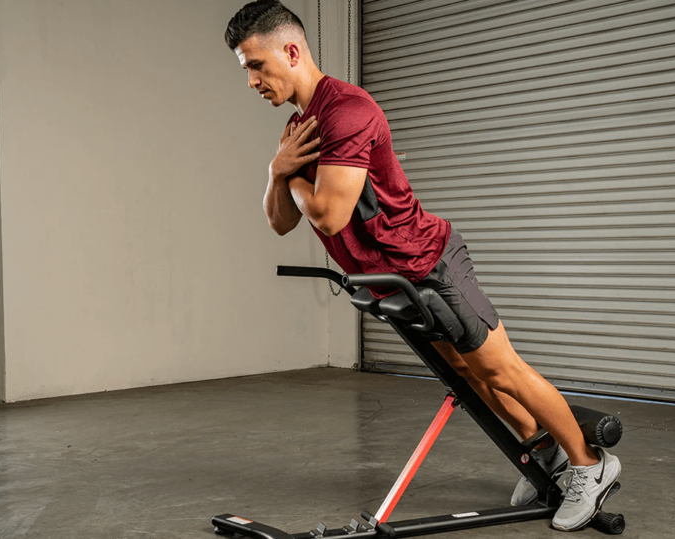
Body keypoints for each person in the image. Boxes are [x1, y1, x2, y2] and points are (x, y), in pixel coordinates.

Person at [225, 1, 621, 531]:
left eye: (255, 65)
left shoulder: (346, 111)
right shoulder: (303, 125)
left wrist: (286, 173)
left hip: (429, 264)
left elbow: (327, 211)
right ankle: (547, 456)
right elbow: (280, 223)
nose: (251, 81)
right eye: (245, 69)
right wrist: (279, 176)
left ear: (291, 51)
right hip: (396, 278)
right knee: (468, 376)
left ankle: (589, 465)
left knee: (502, 369)